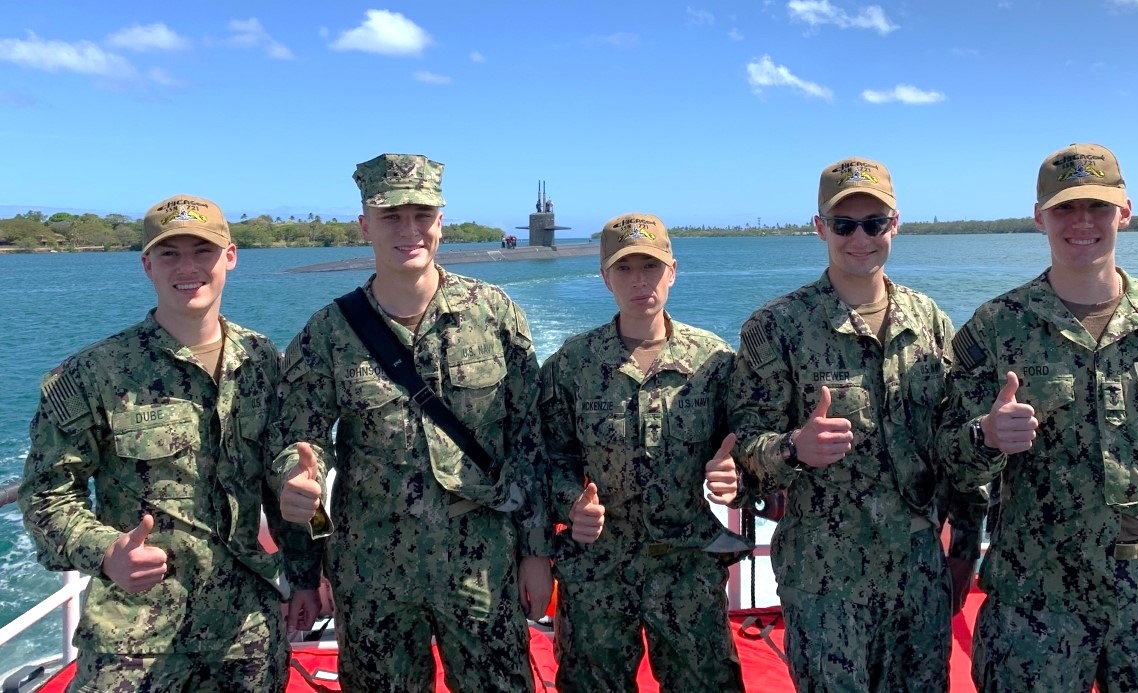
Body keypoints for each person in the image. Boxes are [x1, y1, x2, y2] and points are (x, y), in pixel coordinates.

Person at [939, 142, 1138, 690]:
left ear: (1124, 211)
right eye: (1065, 207)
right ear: (1038, 217)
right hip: (1037, 602)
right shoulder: (996, 327)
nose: (1082, 222)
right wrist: (985, 437)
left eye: (1097, 206)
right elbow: (949, 465)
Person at [272, 153, 553, 691]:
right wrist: (299, 486)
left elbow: (527, 440)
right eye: (391, 217)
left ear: (441, 221)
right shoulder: (328, 334)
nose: (410, 230)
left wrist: (536, 551)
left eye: (422, 215)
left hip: (481, 560)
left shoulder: (494, 314)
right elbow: (300, 441)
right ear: (364, 226)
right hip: (372, 567)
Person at [19, 194, 319, 692]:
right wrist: (106, 552)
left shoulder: (265, 361)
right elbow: (45, 497)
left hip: (247, 629)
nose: (188, 267)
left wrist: (306, 575)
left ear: (230, 257)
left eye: (202, 251)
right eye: (169, 253)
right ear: (146, 265)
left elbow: (285, 477)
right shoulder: (94, 374)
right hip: (135, 638)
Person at [716, 157, 986, 691]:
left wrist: (961, 558)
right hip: (824, 582)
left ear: (895, 224)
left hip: (918, 575)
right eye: (844, 225)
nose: (859, 238)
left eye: (874, 223)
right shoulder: (777, 328)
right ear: (820, 228)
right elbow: (745, 449)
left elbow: (957, 454)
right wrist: (794, 447)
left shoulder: (930, 321)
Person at [539, 213, 748, 691]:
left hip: (687, 566)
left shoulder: (713, 362)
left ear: (672, 271)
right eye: (625, 268)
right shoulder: (572, 365)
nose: (640, 281)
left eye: (650, 267)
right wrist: (571, 503)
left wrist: (735, 475)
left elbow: (745, 447)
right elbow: (548, 457)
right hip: (597, 570)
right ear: (605, 277)